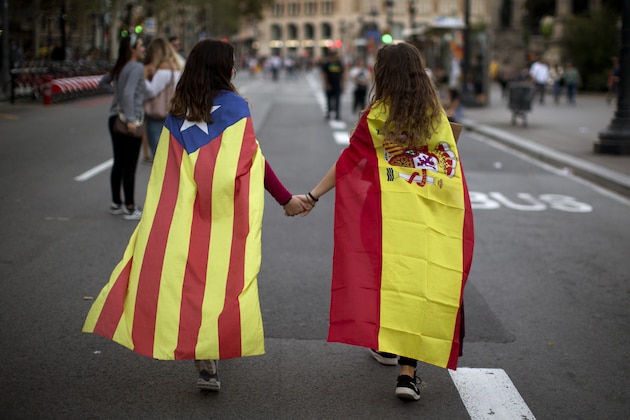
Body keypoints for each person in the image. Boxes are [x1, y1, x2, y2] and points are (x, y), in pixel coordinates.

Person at [83, 39, 310, 392]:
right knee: (217, 283)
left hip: (178, 214)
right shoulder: (236, 107)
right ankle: (208, 350)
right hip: (221, 213)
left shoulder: (178, 110)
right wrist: (285, 199)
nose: (235, 67)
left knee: (183, 281)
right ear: (224, 68)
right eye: (232, 62)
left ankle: (202, 357)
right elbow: (252, 162)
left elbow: (167, 169)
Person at [301, 43, 474, 401]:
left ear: (383, 74)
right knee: (424, 288)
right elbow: (450, 162)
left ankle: (386, 342)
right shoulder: (435, 114)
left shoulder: (377, 116)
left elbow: (350, 163)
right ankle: (407, 374)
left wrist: (313, 196)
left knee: (393, 282)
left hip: (390, 219)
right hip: (434, 218)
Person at [99, 34, 146, 221]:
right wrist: (131, 120)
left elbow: (103, 82)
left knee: (119, 162)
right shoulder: (135, 67)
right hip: (127, 121)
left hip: (114, 118)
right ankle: (130, 207)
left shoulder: (120, 67)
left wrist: (115, 94)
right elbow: (128, 93)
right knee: (130, 164)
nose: (144, 48)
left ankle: (116, 203)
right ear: (132, 49)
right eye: (141, 45)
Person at [143, 37, 183, 160]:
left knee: (159, 158)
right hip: (173, 114)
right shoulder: (177, 66)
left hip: (158, 116)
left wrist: (144, 77)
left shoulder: (163, 68)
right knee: (169, 158)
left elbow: (151, 91)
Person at [320, 49, 345, 120]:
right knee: (328, 100)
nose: (336, 57)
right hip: (329, 85)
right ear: (331, 56)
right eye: (335, 56)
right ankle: (328, 113)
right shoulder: (327, 64)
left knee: (337, 100)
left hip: (337, 85)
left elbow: (343, 74)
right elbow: (323, 74)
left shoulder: (339, 63)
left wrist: (343, 84)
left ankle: (337, 114)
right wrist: (327, 84)